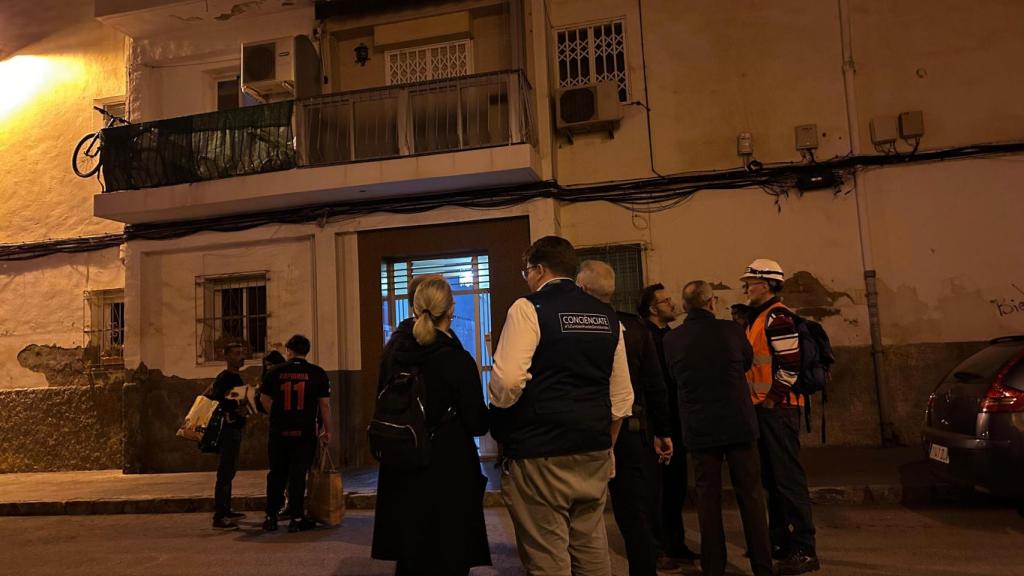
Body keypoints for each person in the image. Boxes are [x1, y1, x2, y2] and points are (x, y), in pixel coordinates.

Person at [489, 236, 634, 576]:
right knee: (591, 544)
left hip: (541, 452)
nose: (525, 278)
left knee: (547, 553)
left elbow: (508, 381)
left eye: (526, 271)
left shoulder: (529, 308)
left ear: (539, 270)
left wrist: (501, 410)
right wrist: (607, 445)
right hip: (594, 448)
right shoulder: (607, 316)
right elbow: (622, 395)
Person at [371, 276, 491, 575]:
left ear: (414, 307)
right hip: (448, 465)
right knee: (449, 553)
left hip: (402, 460)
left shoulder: (393, 352)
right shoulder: (457, 358)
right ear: (451, 309)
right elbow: (476, 422)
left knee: (411, 555)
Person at [663, 281, 772, 576]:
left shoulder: (673, 340)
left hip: (700, 428)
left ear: (685, 306)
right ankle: (763, 565)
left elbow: (673, 375)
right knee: (750, 496)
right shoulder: (732, 331)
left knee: (707, 501)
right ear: (711, 303)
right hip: (738, 423)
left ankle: (713, 567)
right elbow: (748, 362)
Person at [576, 261, 675, 576]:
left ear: (581, 290)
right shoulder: (635, 328)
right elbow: (655, 385)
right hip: (633, 433)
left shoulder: (574, 327)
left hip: (585, 433)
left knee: (579, 516)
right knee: (636, 516)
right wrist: (663, 432)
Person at [740, 259, 820, 575]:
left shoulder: (777, 317)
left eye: (751, 281)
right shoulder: (758, 317)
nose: (745, 285)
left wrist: (772, 400)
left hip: (779, 409)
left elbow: (790, 363)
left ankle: (804, 549)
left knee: (788, 480)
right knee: (773, 480)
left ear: (769, 284)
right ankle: (779, 542)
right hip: (766, 408)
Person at [637, 283, 699, 562]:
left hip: (676, 422)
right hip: (657, 424)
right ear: (652, 309)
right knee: (658, 490)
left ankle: (676, 544)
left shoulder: (669, 336)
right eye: (666, 301)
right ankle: (659, 548)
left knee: (675, 488)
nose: (673, 305)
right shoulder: (646, 338)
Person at [260, 334, 332, 533]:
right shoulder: (317, 373)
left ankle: (271, 517)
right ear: (307, 351)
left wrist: (276, 415)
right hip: (305, 432)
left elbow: (264, 399)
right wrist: (328, 429)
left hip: (279, 432)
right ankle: (297, 518)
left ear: (289, 351)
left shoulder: (274, 372)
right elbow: (324, 405)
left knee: (276, 474)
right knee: (298, 474)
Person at [209, 340, 249, 529]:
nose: (240, 356)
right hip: (227, 430)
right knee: (225, 471)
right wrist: (234, 411)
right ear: (226, 357)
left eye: (242, 352)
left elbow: (237, 400)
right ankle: (219, 515)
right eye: (236, 353)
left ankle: (226, 508)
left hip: (234, 429)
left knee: (230, 470)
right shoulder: (225, 378)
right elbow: (219, 402)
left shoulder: (236, 377)